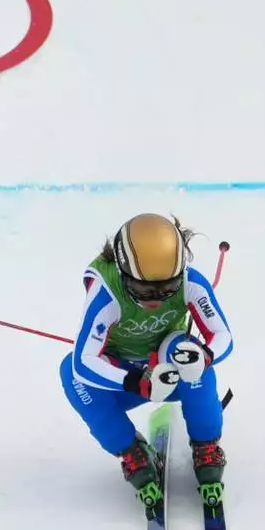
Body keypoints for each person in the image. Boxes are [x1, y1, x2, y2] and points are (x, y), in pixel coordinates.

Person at [60, 213, 233, 511]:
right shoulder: (107, 292)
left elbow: (222, 335)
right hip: (127, 379)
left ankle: (206, 444)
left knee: (186, 352)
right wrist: (136, 381)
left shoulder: (192, 282)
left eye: (168, 289)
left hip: (172, 368)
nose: (156, 299)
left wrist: (205, 356)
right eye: (143, 291)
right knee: (71, 375)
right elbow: (84, 361)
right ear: (125, 274)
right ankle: (132, 450)